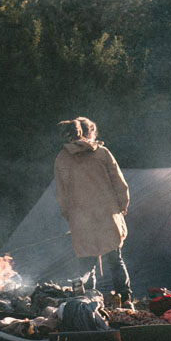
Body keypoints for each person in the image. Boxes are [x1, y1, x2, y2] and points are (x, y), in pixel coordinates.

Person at [54, 117, 135, 309]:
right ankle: (126, 299)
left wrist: (70, 215)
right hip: (107, 214)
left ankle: (90, 304)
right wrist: (122, 205)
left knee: (86, 264)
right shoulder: (102, 153)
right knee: (115, 260)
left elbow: (61, 193)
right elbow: (119, 182)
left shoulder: (62, 158)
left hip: (81, 218)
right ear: (88, 132)